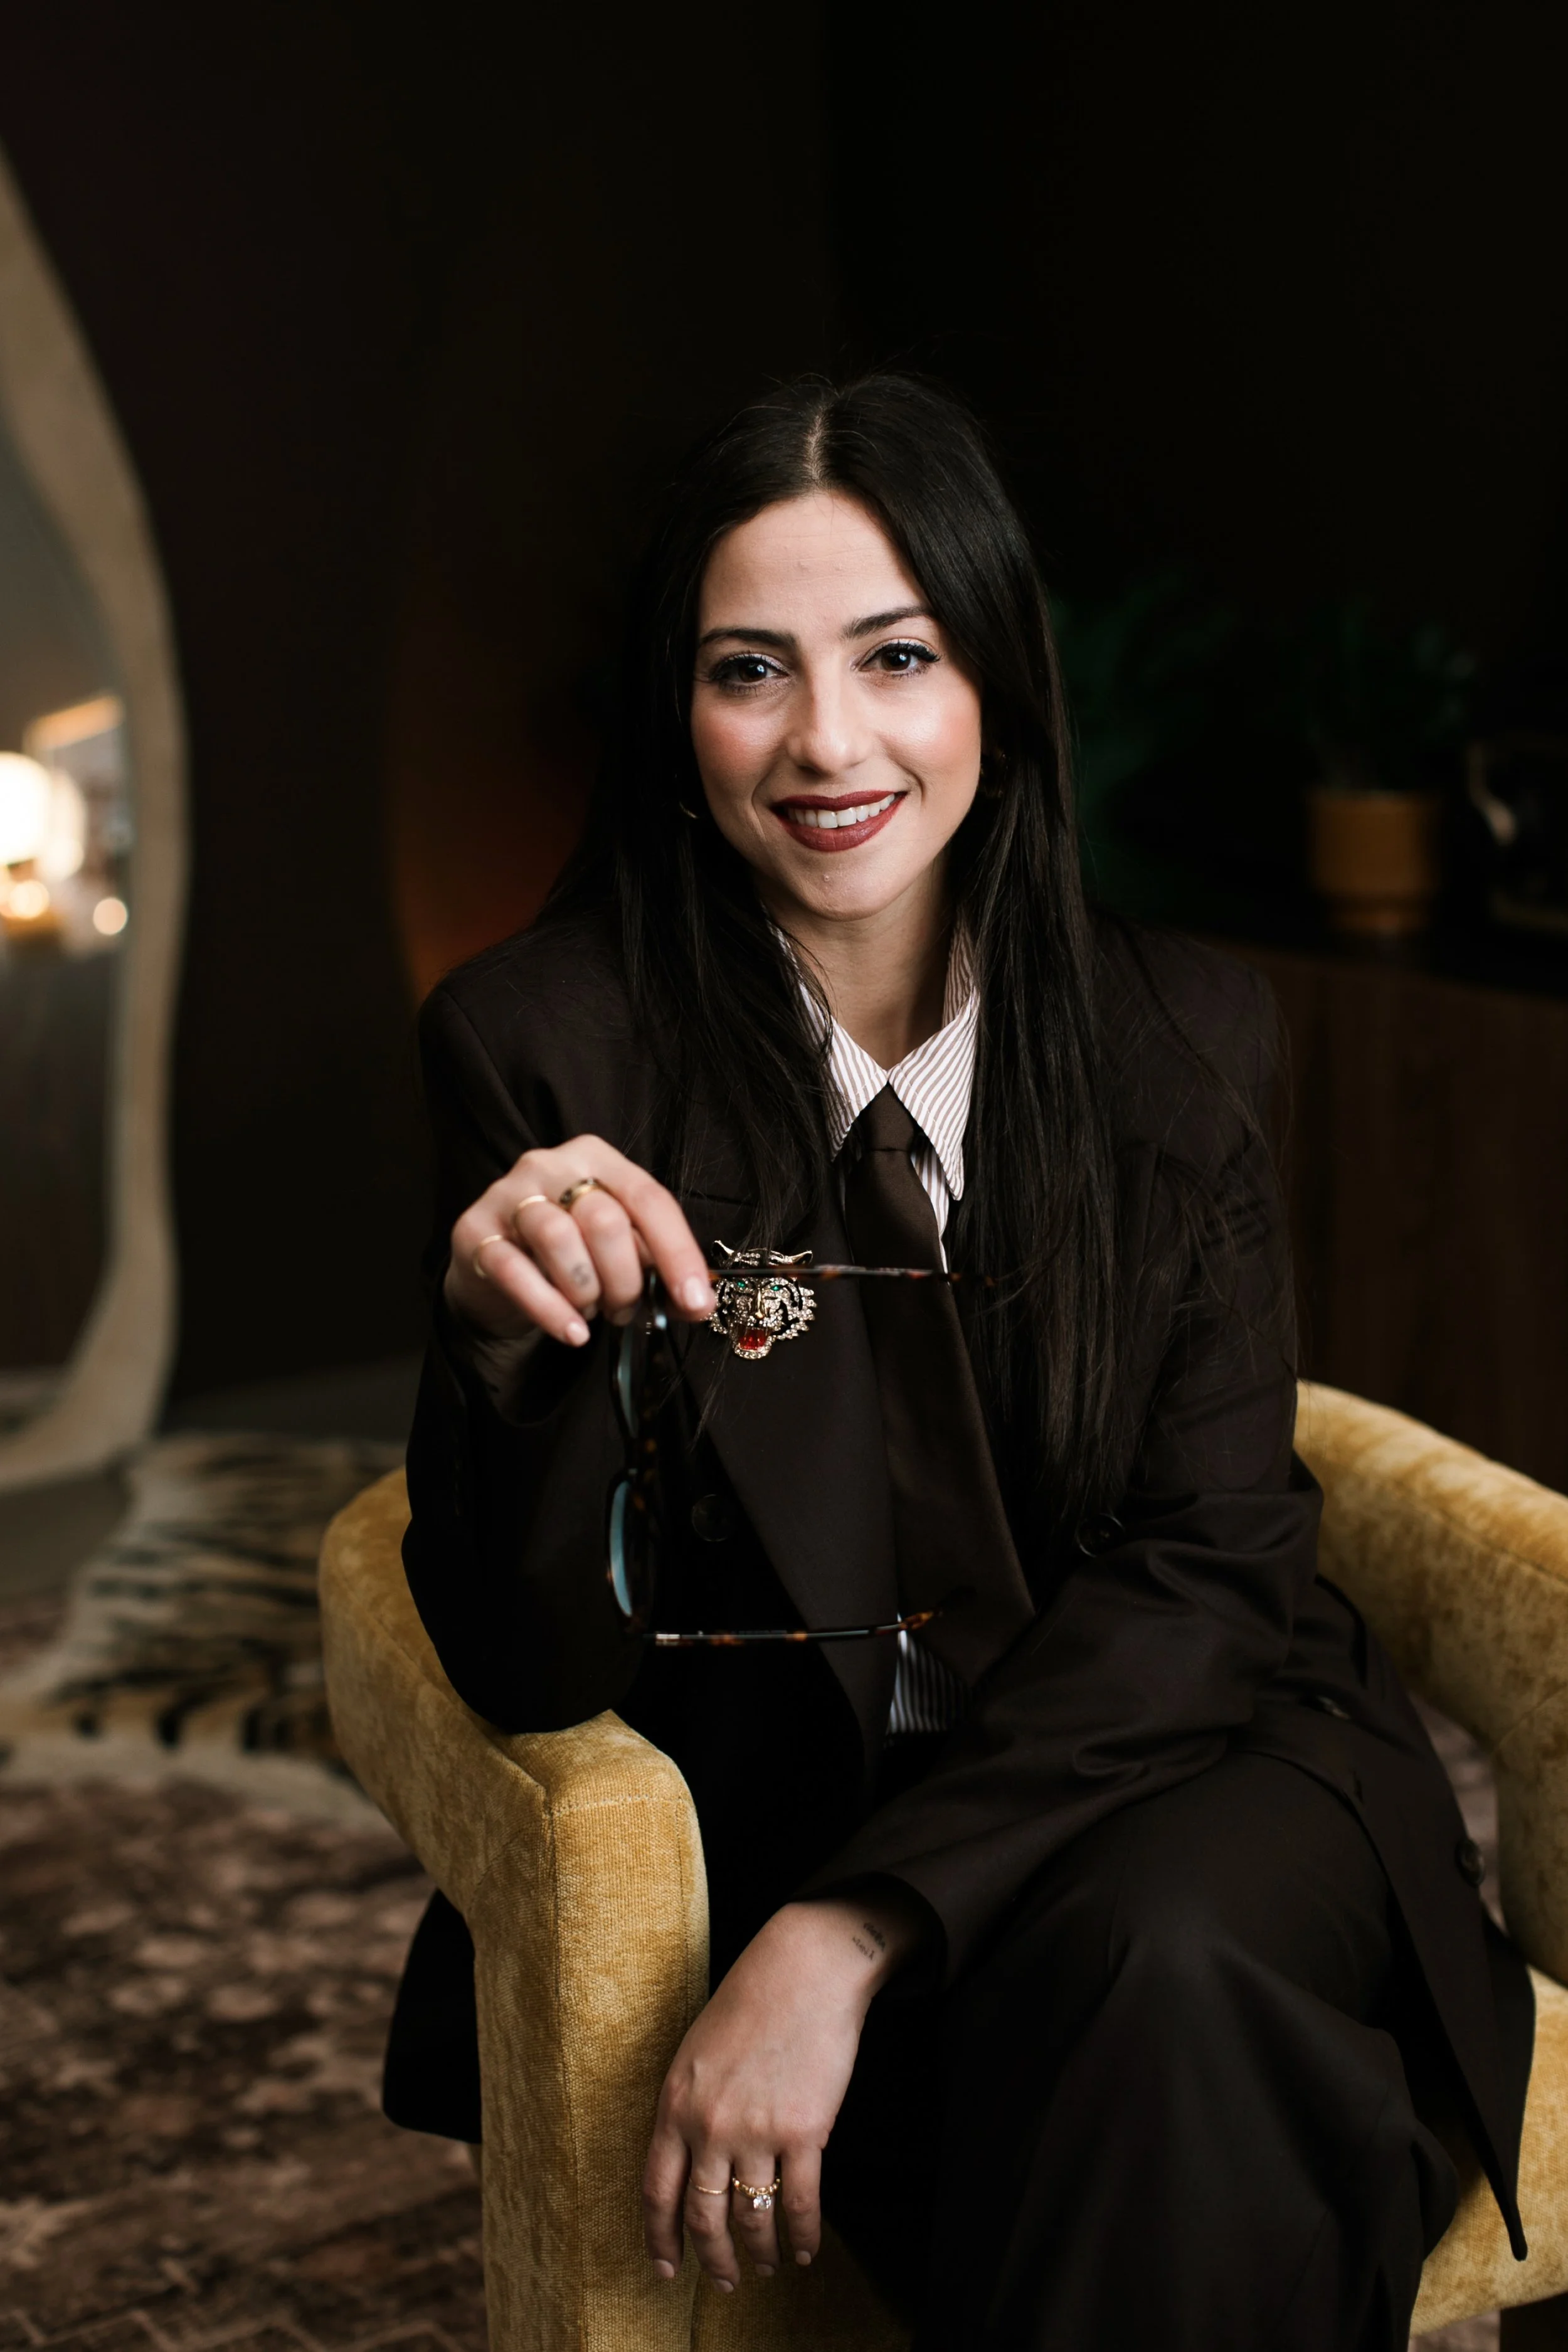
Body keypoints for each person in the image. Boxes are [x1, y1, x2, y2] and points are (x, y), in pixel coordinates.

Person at [382, 374, 1530, 2348]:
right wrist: (507, 1353)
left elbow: (1209, 1566)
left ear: (994, 681)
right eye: (751, 669)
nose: (829, 742)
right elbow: (529, 1663)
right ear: (679, 716)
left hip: (1191, 1751)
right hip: (797, 1783)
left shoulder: (1183, 1035)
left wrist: (850, 1937)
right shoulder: (545, 1047)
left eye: (895, 656)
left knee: (1163, 1953)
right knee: (1154, 2029)